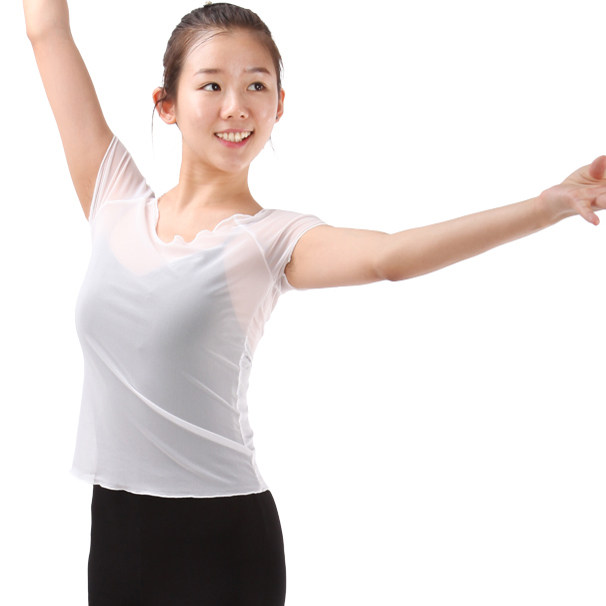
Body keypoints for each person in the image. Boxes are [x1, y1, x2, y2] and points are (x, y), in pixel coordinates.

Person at [22, 1, 606, 605]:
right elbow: (46, 30)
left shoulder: (269, 238)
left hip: (223, 537)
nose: (235, 106)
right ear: (166, 103)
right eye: (211, 85)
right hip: (118, 530)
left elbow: (391, 256)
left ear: (279, 105)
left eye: (256, 85)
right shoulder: (113, 197)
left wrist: (548, 207)